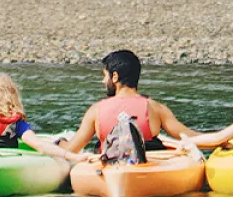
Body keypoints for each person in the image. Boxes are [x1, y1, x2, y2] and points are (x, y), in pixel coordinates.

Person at [62, 50, 200, 155]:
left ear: (114, 76)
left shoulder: (96, 110)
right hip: (149, 169)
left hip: (110, 171)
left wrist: (57, 143)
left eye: (105, 76)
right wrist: (219, 141)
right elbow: (191, 137)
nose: (103, 81)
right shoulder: (155, 108)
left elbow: (71, 150)